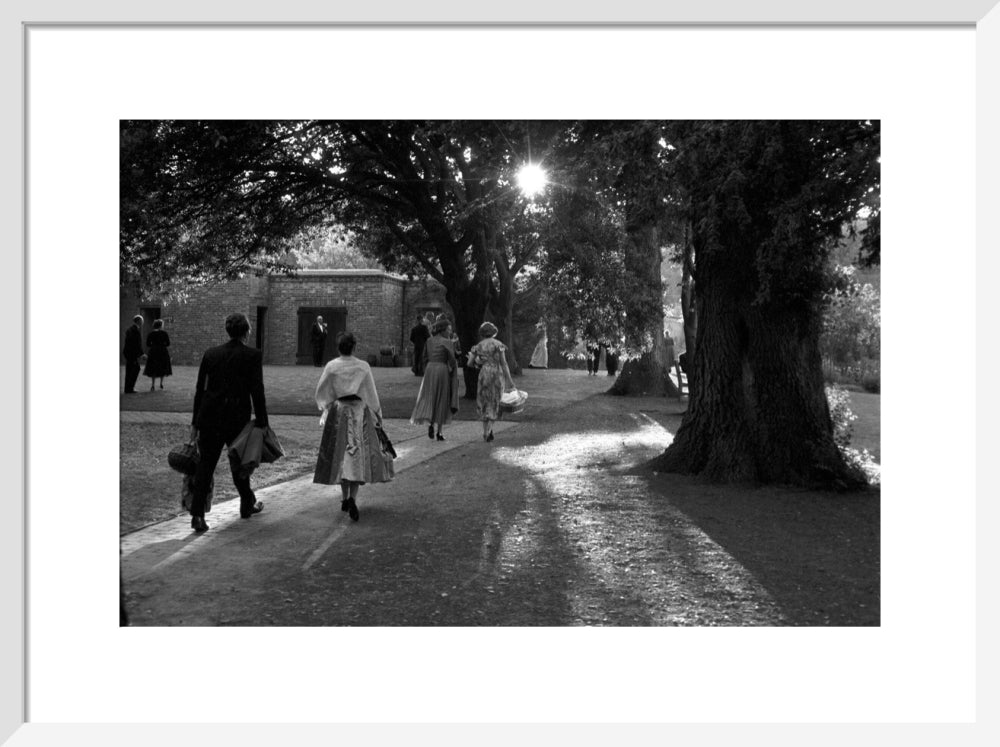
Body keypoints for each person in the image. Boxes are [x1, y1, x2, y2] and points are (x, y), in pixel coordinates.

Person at [187, 312, 269, 533]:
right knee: (240, 464)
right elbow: (256, 389)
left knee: (205, 466)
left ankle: (197, 516)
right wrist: (262, 421)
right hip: (237, 417)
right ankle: (246, 503)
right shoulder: (252, 355)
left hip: (210, 416)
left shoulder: (210, 354)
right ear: (247, 331)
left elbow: (200, 390)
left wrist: (195, 422)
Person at [314, 332, 393, 522]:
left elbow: (322, 391)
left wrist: (325, 407)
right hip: (358, 412)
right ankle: (352, 498)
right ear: (354, 347)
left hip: (340, 412)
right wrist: (377, 414)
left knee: (341, 454)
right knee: (356, 455)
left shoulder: (332, 366)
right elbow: (370, 393)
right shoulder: (362, 367)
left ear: (338, 347)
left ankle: (344, 497)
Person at [409, 317, 459, 441]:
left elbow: (424, 357)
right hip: (442, 370)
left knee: (431, 396)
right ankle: (439, 432)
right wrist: (453, 366)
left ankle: (431, 424)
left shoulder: (429, 341)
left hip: (430, 370)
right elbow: (452, 360)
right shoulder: (447, 342)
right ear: (442, 330)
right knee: (442, 398)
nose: (450, 332)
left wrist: (428, 368)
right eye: (448, 329)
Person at [468, 321, 515, 443]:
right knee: (495, 400)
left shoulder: (478, 346)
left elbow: (469, 363)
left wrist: (479, 363)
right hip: (496, 373)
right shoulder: (498, 344)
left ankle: (486, 430)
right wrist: (510, 381)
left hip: (484, 373)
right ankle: (488, 430)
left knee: (484, 401)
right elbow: (504, 364)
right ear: (493, 332)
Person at [143, 319, 172, 390]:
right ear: (161, 325)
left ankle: (153, 385)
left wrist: (154, 345)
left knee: (153, 367)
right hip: (162, 351)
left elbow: (148, 344)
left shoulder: (151, 333)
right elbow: (168, 343)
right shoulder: (164, 333)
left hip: (153, 352)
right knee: (162, 366)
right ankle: (161, 383)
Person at [122, 314, 144, 394]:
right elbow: (136, 344)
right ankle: (130, 389)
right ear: (138, 321)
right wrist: (141, 354)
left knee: (130, 370)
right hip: (132, 354)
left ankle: (128, 388)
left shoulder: (130, 329)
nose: (142, 322)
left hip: (128, 353)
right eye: (142, 321)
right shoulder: (135, 330)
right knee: (134, 369)